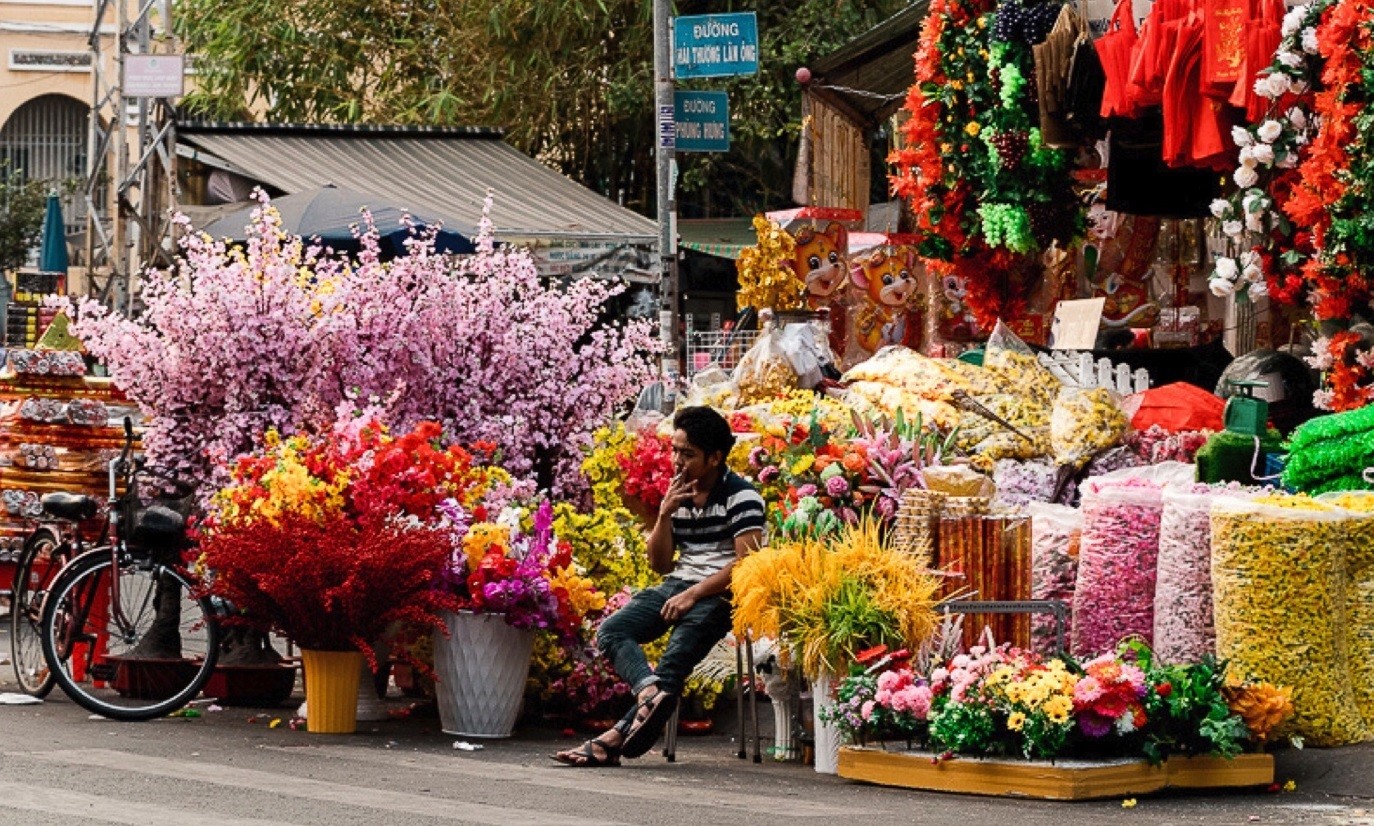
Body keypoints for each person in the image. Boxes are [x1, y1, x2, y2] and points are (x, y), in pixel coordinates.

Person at [552, 406, 765, 767]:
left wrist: (694, 594)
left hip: (721, 594)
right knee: (612, 630)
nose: (677, 460)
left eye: (688, 453)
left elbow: (748, 564)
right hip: (678, 583)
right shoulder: (677, 494)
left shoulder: (741, 497)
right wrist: (664, 514)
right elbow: (660, 564)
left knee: (675, 658)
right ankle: (648, 693)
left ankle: (610, 741)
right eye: (675, 450)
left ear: (714, 457)